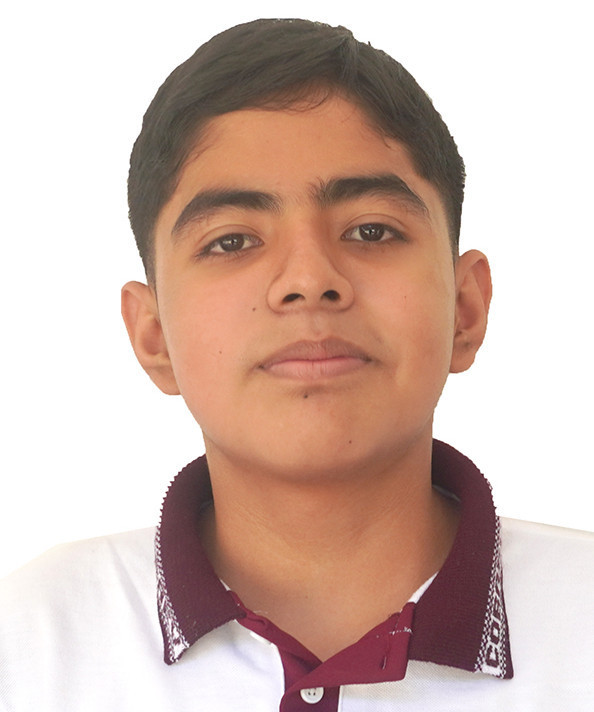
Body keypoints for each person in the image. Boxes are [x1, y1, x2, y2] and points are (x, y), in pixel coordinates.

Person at [1, 18, 592, 711]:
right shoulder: (33, 643)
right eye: (232, 241)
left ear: (465, 309)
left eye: (371, 230)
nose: (309, 280)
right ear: (153, 335)